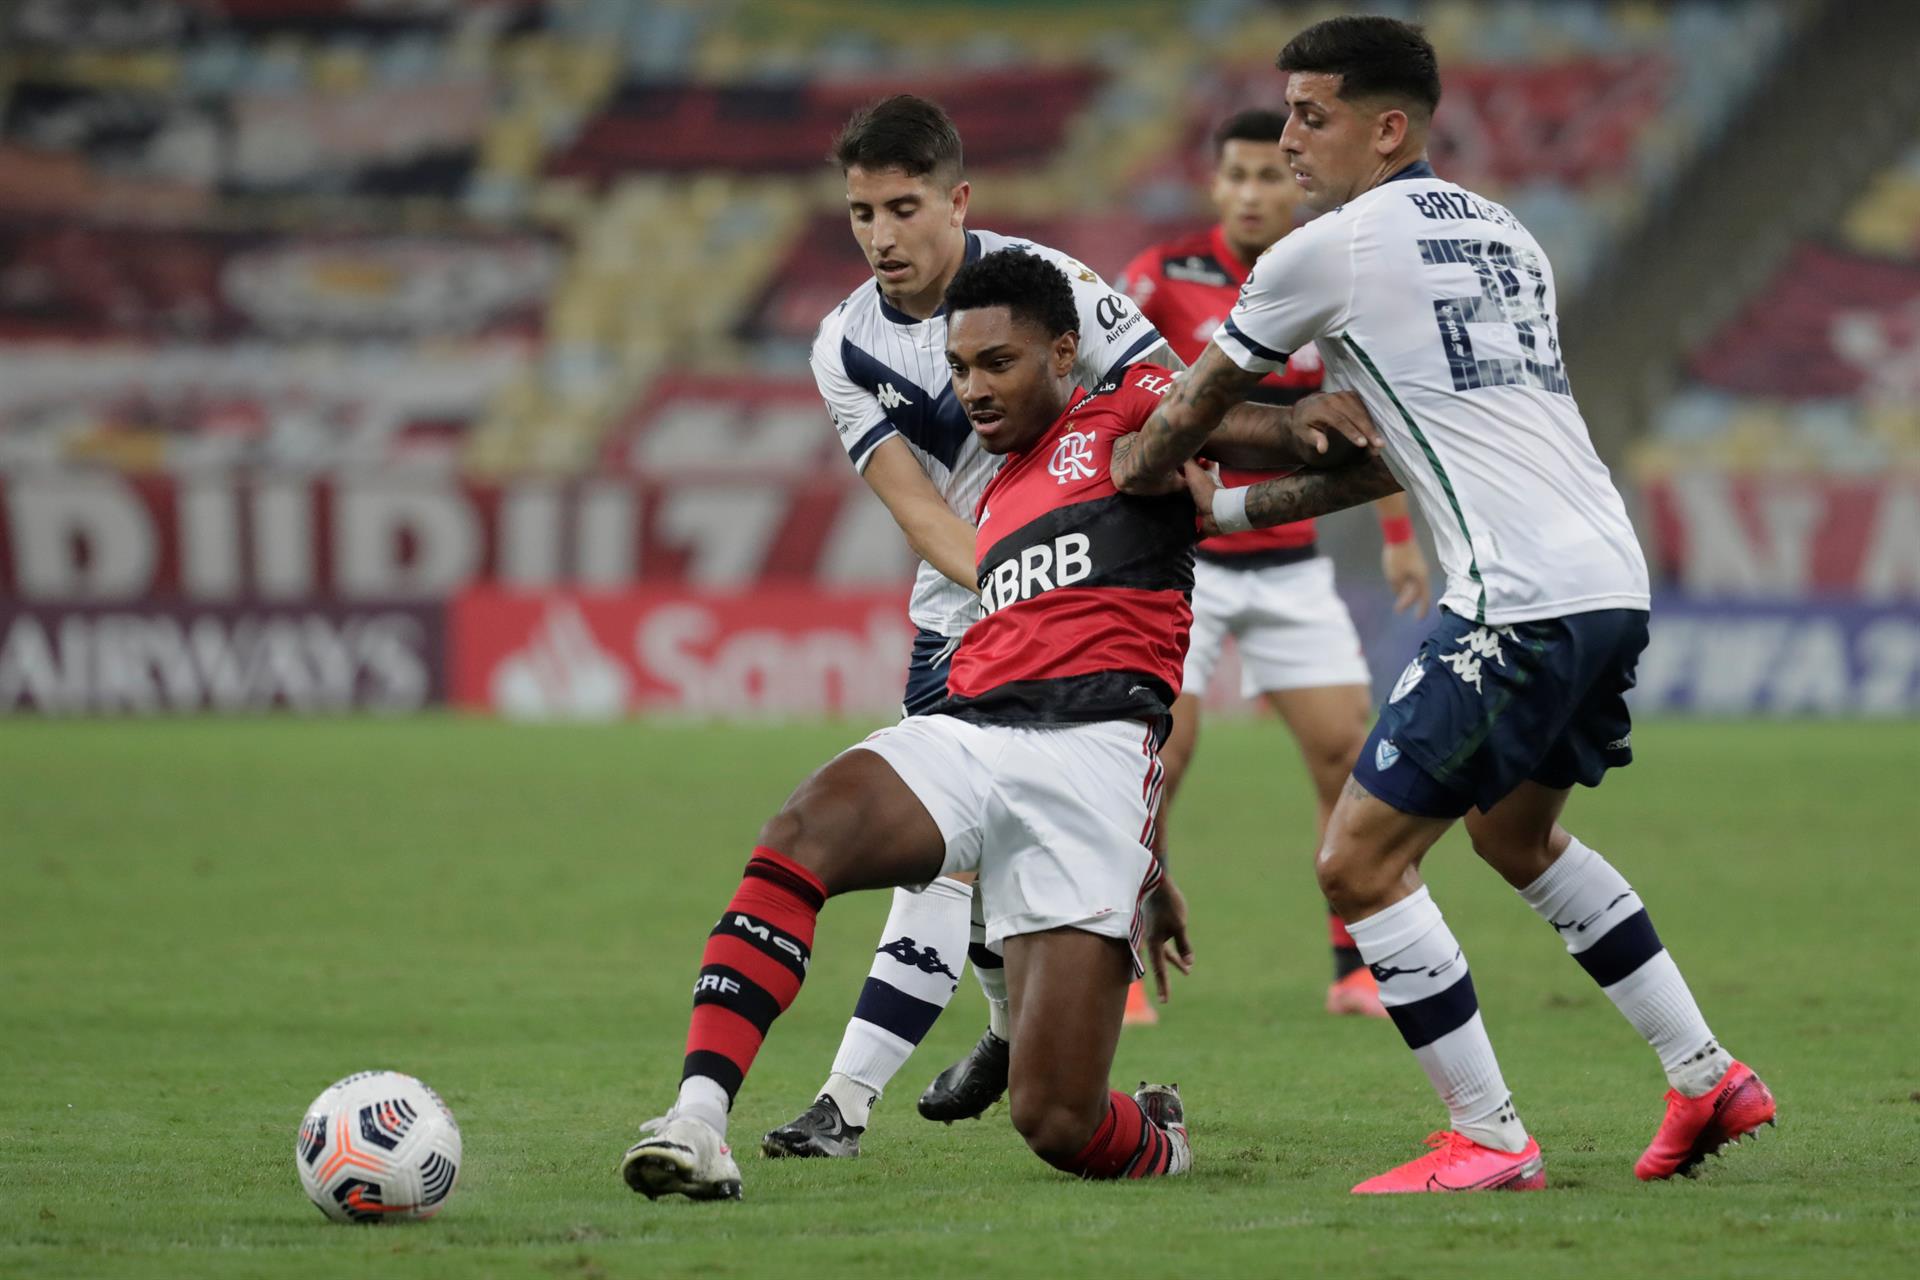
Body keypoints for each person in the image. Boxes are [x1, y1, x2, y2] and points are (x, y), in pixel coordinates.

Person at [1112, 15, 1774, 1193]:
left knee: (1357, 863)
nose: (1291, 139)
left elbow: (1184, 415)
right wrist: (1233, 520)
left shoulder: (1327, 251)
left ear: (1388, 126)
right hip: (1607, 576)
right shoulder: (1506, 231)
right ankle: (1705, 1070)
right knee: (1513, 835)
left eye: (1312, 116)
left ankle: (1491, 1134)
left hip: (1514, 597)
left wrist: (1135, 478)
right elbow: (1393, 460)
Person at [766, 93, 1371, 1159]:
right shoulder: (843, 345)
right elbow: (918, 511)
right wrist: (1006, 587)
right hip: (968, 607)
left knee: (957, 864)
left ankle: (845, 1102)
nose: (880, 235)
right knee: (958, 863)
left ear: (955, 199)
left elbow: (1165, 404)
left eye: (901, 207)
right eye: (861, 212)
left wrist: (1259, 454)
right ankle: (987, 1034)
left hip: (1084, 609)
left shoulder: (1061, 293)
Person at [619, 249, 1213, 1201]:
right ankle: (697, 1119)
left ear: (1066, 354)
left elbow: (1226, 428)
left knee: (1057, 1120)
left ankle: (1159, 1135)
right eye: (961, 367)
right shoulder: (1000, 493)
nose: (973, 387)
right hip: (971, 734)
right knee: (803, 832)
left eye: (998, 364)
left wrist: (1323, 431)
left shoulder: (1127, 427)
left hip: (1092, 769)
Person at [1116, 107, 1432, 1020]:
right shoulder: (1162, 277)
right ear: (1216, 186)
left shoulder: (1324, 268)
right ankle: (1129, 962)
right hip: (1187, 564)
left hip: (1291, 562)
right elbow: (1121, 398)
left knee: (1345, 750)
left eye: (1268, 175)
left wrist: (1400, 541)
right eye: (1238, 176)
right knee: (1158, 759)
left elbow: (1366, 408)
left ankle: (1355, 967)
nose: (1254, 192)